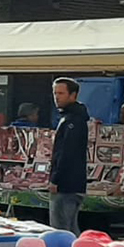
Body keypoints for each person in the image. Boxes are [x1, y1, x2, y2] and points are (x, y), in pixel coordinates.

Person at [49, 78, 88, 235]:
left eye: (61, 93)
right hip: (71, 184)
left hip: (67, 185)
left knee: (61, 229)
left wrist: (55, 179)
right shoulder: (70, 118)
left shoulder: (73, 120)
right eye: (55, 93)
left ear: (73, 95)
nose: (57, 97)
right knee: (69, 227)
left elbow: (67, 153)